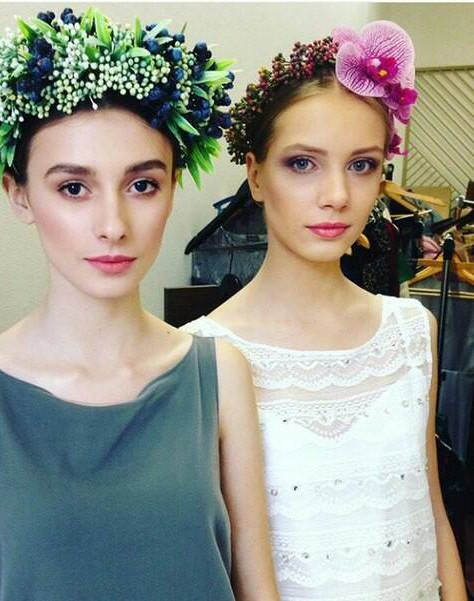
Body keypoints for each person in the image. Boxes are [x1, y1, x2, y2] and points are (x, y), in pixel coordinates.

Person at [0, 8, 278, 601]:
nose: (113, 224)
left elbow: (257, 587)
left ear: (172, 188)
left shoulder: (219, 374)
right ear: (19, 195)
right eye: (73, 188)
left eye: (142, 185)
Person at [182, 21, 467, 601]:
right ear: (255, 175)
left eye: (361, 165)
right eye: (303, 164)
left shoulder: (412, 331)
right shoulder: (199, 355)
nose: (336, 195)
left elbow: (431, 510)